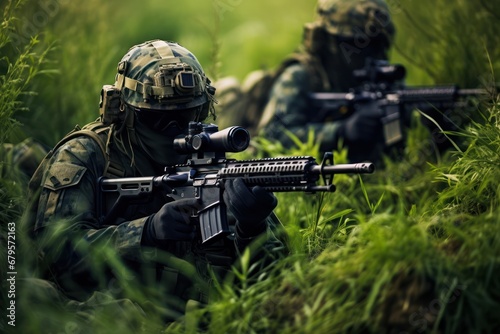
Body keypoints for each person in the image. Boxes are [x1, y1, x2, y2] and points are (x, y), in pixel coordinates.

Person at [22, 39, 286, 323]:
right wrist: (145, 231)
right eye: (159, 120)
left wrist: (252, 227)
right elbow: (53, 253)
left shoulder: (210, 164)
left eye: (187, 116)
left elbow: (278, 283)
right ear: (122, 110)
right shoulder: (86, 156)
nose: (175, 130)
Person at [257, 0, 396, 162]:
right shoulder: (300, 76)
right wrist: (341, 131)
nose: (366, 51)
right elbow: (273, 137)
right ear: (328, 41)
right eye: (355, 42)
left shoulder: (381, 78)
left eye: (373, 43)